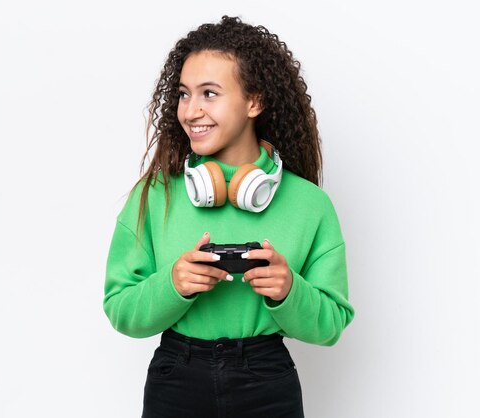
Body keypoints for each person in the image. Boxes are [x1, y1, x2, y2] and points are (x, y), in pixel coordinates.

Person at [103, 15, 354, 418]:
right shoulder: (155, 195)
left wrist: (289, 290)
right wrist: (174, 284)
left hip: (267, 379)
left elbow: (332, 325)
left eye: (210, 93)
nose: (191, 110)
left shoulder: (310, 205)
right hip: (176, 377)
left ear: (254, 101)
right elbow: (121, 310)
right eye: (184, 94)